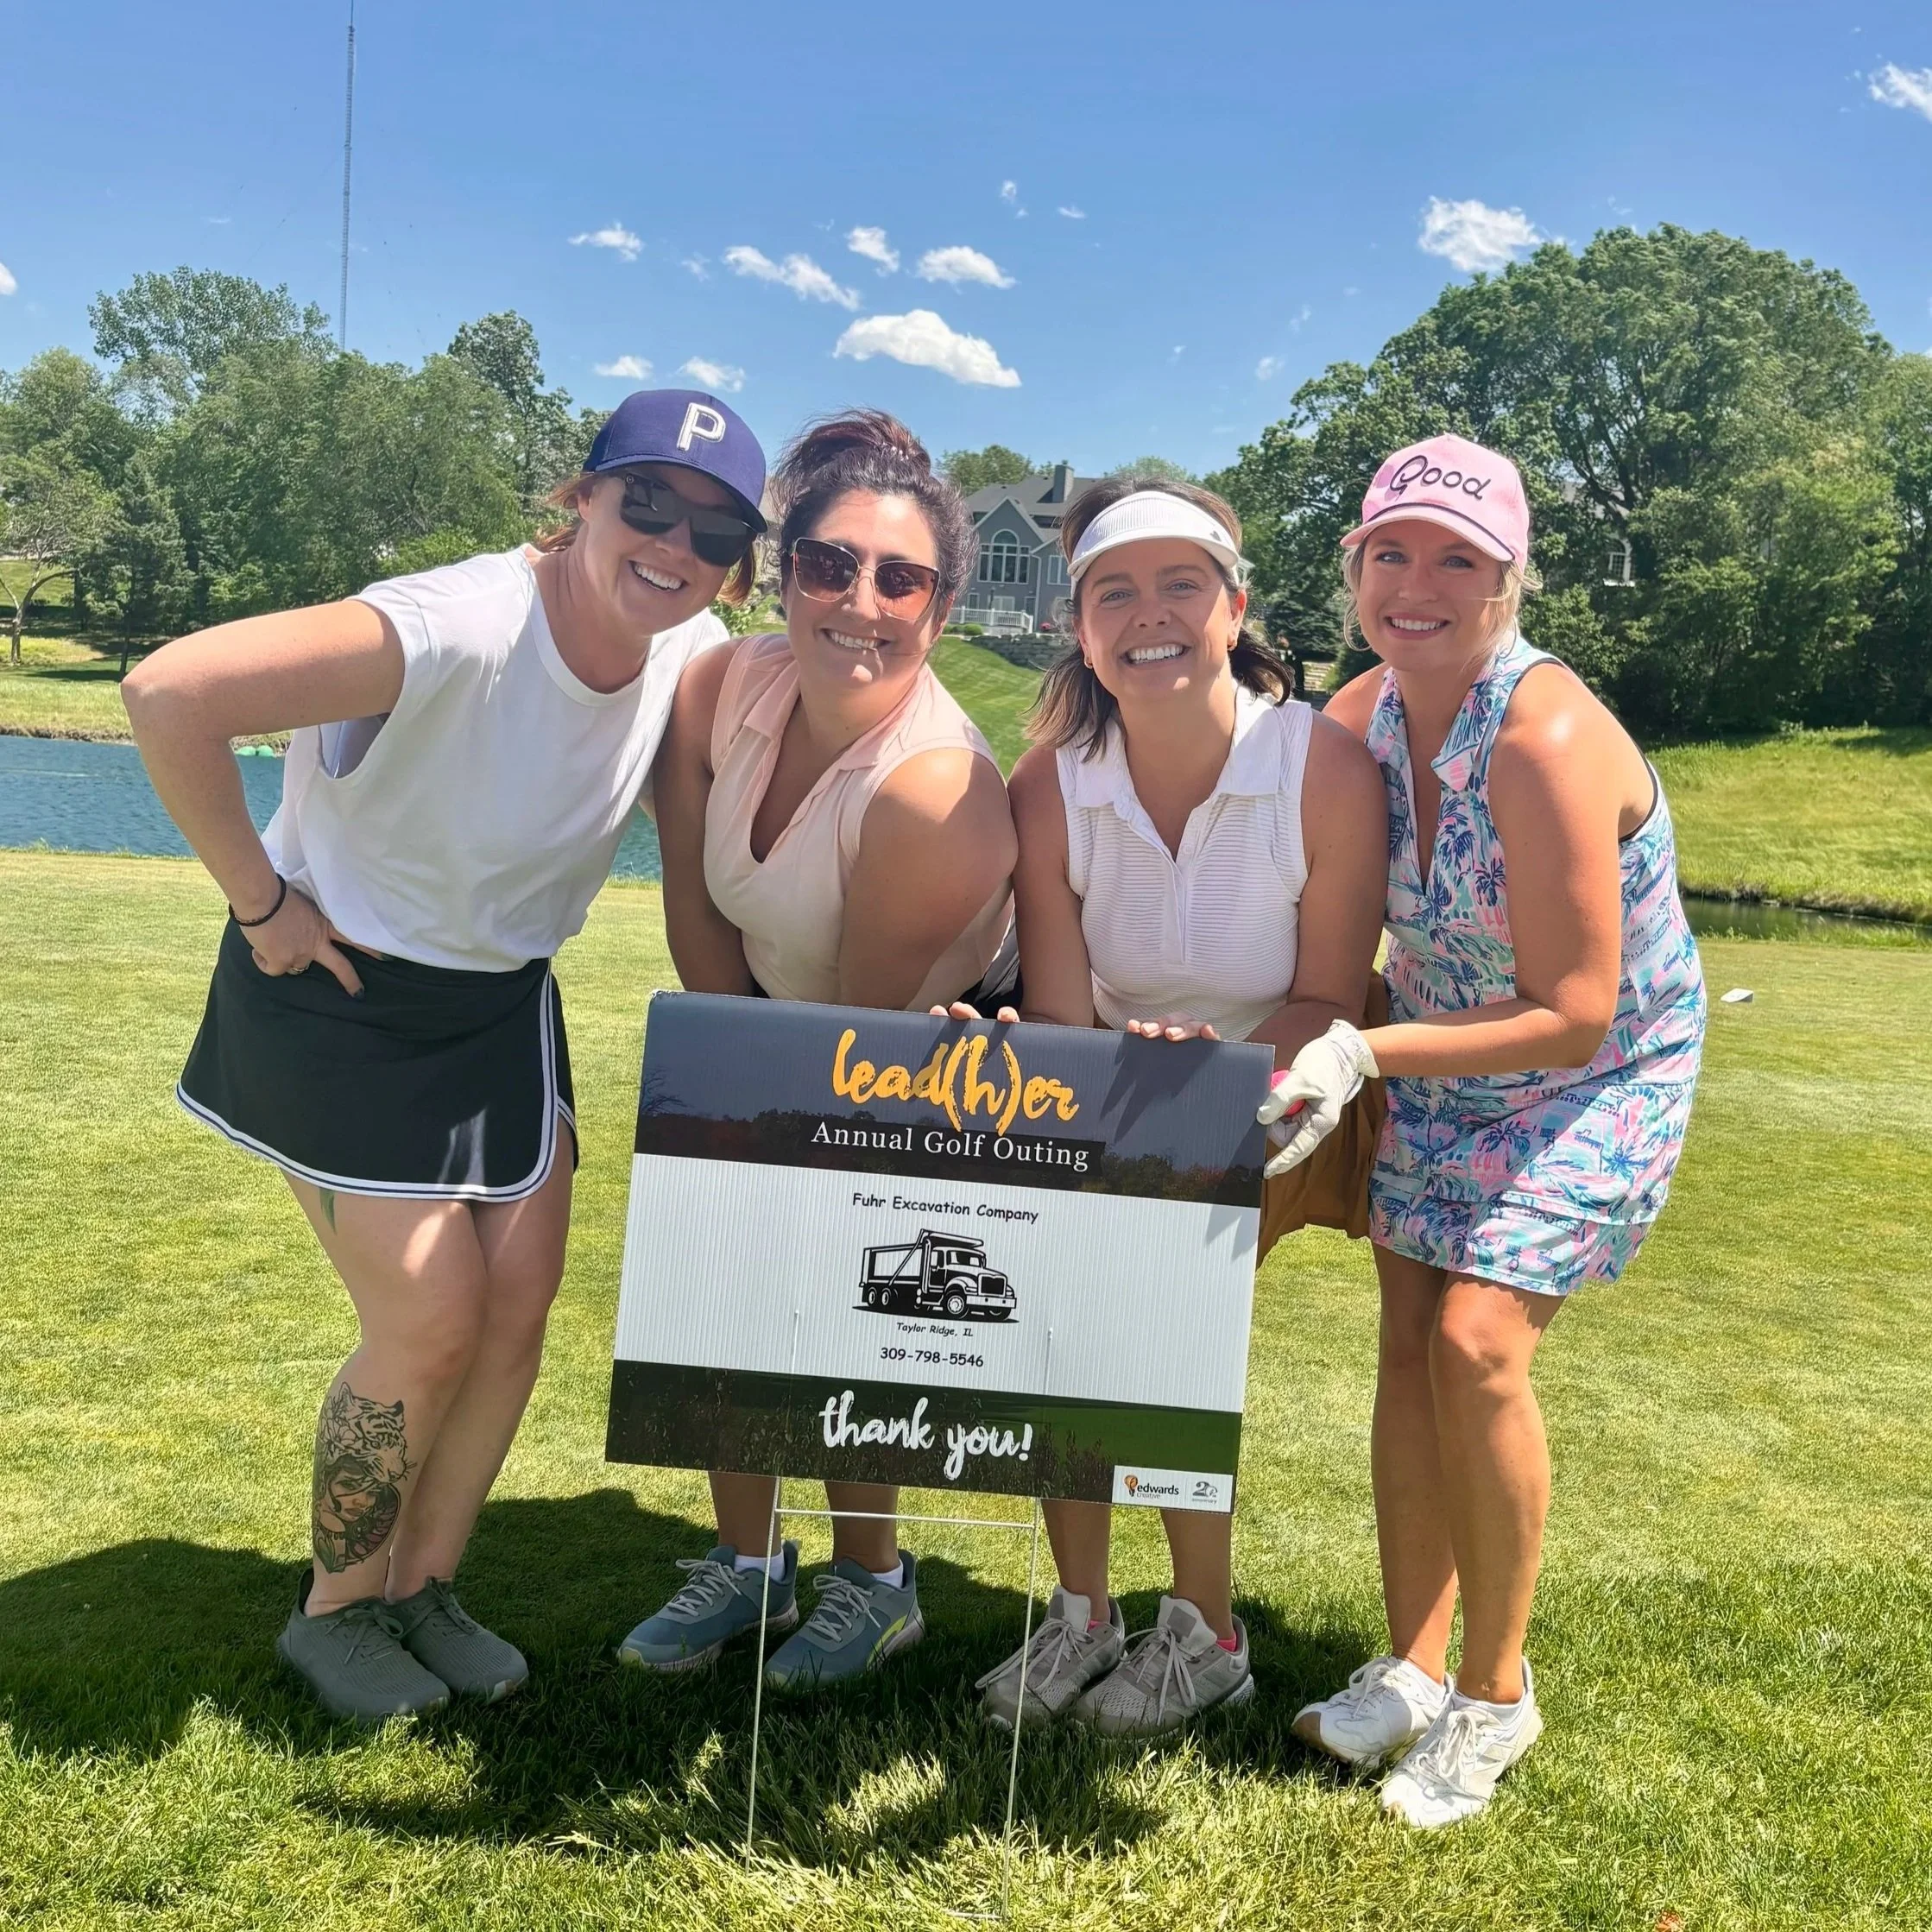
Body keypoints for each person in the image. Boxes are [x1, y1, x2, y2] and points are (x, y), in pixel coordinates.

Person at [123, 388, 768, 1723]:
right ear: (576, 499)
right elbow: (170, 691)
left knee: (517, 1308)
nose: (674, 540)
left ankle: (424, 1583)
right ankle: (337, 1607)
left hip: (499, 1006)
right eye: (646, 498)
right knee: (426, 1318)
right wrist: (260, 902)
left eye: (713, 529)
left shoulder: (688, 645)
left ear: (735, 566)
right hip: (340, 993)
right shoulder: (459, 623)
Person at [1277, 435, 1706, 1825]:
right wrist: (1294, 1051)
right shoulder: (1355, 721)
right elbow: (1332, 947)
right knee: (1407, 1345)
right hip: (1436, 1054)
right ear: (1353, 568)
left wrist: (1361, 1049)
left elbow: (1578, 1009)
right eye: (1389, 552)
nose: (1417, 583)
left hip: (1599, 1071)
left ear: (1507, 579)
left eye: (1456, 557)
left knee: (1474, 1340)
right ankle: (1405, 1666)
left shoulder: (1544, 734)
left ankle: (1493, 1694)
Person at [963, 477, 1387, 1738]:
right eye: (1113, 594)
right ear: (1079, 628)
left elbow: (1324, 993)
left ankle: (1205, 1633)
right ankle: (1085, 1614)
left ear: (1233, 605)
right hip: (1107, 1089)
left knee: (1156, 1332)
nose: (1147, 616)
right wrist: (1125, 1074)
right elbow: (1052, 1012)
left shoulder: (1323, 764)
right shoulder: (1048, 783)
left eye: (1178, 586)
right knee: (1064, 1331)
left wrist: (1211, 1074)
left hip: (1286, 1088)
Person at [618, 410, 1017, 1690]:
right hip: (766, 1021)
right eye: (828, 565)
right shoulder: (716, 683)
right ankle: (744, 1566)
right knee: (730, 1280)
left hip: (903, 1059)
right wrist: (730, 1077)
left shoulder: (935, 787)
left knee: (852, 1302)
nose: (860, 601)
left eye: (899, 578)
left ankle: (875, 1580)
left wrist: (766, 1117)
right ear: (781, 571)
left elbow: (858, 1030)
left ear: (939, 607)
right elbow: (695, 893)